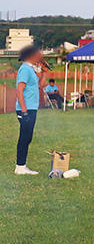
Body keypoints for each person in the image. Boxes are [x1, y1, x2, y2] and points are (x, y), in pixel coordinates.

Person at [14, 46, 42, 175]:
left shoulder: (31, 69)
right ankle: (20, 166)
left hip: (31, 108)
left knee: (28, 137)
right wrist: (24, 111)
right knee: (25, 137)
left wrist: (44, 72)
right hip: (26, 108)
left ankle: (22, 165)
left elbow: (40, 86)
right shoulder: (24, 69)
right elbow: (19, 90)